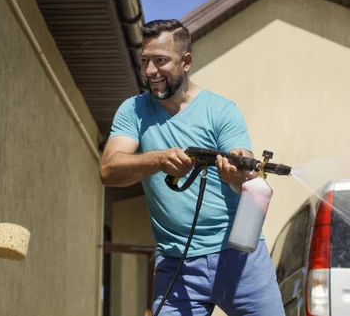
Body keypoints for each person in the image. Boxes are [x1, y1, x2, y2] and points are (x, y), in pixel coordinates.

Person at [100, 19, 284, 315]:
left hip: (240, 259)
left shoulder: (221, 110)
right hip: (177, 265)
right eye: (145, 61)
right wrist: (158, 159)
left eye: (160, 61)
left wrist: (236, 174)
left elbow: (246, 171)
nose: (150, 72)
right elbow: (109, 170)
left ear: (185, 62)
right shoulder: (133, 111)